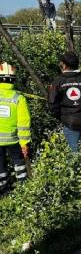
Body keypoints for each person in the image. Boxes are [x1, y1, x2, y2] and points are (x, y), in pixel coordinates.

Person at [0, 62, 30, 195]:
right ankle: (23, 187)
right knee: (19, 163)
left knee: (0, 166)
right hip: (14, 140)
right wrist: (24, 144)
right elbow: (24, 123)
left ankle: (3, 190)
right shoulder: (19, 98)